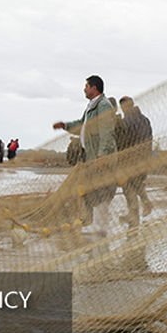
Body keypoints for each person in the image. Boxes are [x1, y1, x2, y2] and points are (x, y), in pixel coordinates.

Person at [52, 75, 118, 229]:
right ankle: (93, 225)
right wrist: (65, 126)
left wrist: (102, 155)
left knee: (101, 193)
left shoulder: (103, 106)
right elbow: (81, 125)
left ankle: (101, 230)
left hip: (100, 159)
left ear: (94, 88)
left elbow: (107, 133)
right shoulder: (91, 106)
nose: (84, 89)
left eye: (86, 86)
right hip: (92, 158)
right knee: (91, 192)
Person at [116, 97, 154, 224]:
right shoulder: (145, 119)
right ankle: (145, 203)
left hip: (130, 160)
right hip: (143, 159)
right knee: (137, 183)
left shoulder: (126, 121)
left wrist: (117, 124)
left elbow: (123, 141)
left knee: (128, 187)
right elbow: (149, 139)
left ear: (125, 107)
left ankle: (134, 213)